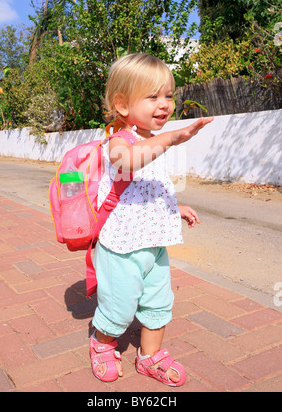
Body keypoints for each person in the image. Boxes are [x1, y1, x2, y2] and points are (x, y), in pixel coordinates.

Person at [89, 53, 213, 386]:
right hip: (121, 247)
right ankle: (101, 343)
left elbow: (151, 187)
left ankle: (149, 356)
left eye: (169, 95)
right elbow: (129, 163)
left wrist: (176, 208)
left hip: (155, 243)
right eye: (153, 96)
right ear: (122, 104)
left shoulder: (153, 141)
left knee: (159, 303)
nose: (164, 104)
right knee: (118, 304)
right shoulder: (118, 141)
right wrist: (171, 138)